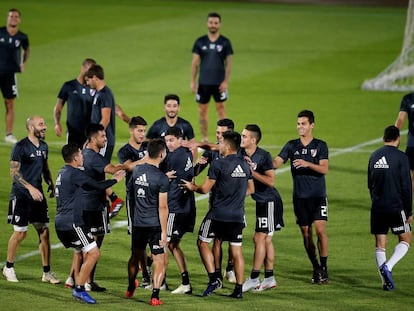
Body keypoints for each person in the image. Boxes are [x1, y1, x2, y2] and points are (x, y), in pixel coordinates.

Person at [181, 131, 254, 299]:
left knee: (202, 241)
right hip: (237, 215)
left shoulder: (218, 164)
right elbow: (251, 189)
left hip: (217, 214)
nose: (218, 146)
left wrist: (193, 187)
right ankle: (238, 290)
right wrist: (235, 196)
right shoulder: (245, 164)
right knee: (237, 251)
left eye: (220, 143)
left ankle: (214, 278)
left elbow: (205, 189)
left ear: (227, 146)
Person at [55, 143, 125, 304]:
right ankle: (80, 288)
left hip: (61, 222)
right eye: (80, 155)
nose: (82, 157)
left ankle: (74, 281)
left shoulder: (62, 172)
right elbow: (97, 185)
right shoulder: (74, 173)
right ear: (74, 158)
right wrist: (115, 180)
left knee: (83, 250)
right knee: (94, 253)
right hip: (72, 222)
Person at [273, 110, 329, 284]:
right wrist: (257, 160)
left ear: (312, 125)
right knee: (306, 234)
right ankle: (316, 267)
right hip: (300, 198)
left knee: (320, 231)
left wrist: (307, 164)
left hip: (318, 196)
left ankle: (324, 267)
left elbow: (324, 169)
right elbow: (276, 163)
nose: (300, 127)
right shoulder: (291, 146)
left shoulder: (320, 146)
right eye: (298, 124)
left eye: (303, 124)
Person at [3, 116, 60, 284]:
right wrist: (30, 188)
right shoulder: (20, 147)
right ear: (30, 127)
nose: (45, 127)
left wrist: (49, 181)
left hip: (38, 196)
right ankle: (8, 267)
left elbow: (45, 167)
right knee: (20, 233)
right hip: (21, 195)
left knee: (44, 232)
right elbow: (14, 173)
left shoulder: (44, 146)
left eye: (44, 124)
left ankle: (47, 273)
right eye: (41, 124)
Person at [78, 123, 127, 292]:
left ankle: (87, 281)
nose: (106, 139)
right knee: (93, 246)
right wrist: (129, 165)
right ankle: (83, 282)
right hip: (94, 207)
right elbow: (112, 170)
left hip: (85, 205)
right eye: (102, 136)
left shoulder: (83, 153)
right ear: (93, 139)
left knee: (90, 245)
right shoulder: (94, 157)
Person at [240, 124, 284, 292]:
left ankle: (253, 278)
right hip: (261, 201)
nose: (242, 138)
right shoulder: (241, 153)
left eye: (244, 136)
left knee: (259, 239)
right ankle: (269, 278)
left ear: (253, 139)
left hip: (270, 201)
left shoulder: (264, 156)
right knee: (265, 240)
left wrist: (252, 171)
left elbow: (271, 181)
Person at [368, 125, 412, 291]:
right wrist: (408, 211)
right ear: (398, 139)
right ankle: (389, 267)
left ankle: (385, 282)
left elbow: (369, 185)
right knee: (406, 238)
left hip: (377, 206)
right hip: (396, 206)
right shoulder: (402, 158)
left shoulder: (374, 156)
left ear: (383, 138)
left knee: (380, 244)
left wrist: (376, 201)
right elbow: (407, 187)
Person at [125, 138, 169, 306]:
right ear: (162, 154)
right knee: (159, 260)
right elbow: (163, 207)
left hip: (138, 223)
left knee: (135, 256)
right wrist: (164, 232)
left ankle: (130, 286)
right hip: (155, 225)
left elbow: (131, 193)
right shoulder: (161, 178)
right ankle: (155, 296)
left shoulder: (136, 171)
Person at [193, 118, 236, 283]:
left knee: (233, 241)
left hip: (233, 204)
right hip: (216, 204)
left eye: (222, 133)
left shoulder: (238, 153)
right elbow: (197, 169)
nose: (218, 136)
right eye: (217, 133)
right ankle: (217, 274)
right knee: (217, 239)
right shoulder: (211, 153)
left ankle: (230, 268)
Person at [85, 64, 124, 219]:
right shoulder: (99, 93)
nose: (87, 83)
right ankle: (110, 200)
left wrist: (95, 138)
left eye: (88, 80)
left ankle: (114, 200)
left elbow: (105, 119)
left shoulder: (105, 94)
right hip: (98, 139)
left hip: (102, 140)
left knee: (101, 170)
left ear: (95, 77)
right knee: (97, 171)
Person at [117, 116, 152, 287]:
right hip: (134, 200)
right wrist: (147, 158)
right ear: (131, 130)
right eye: (139, 130)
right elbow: (129, 167)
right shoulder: (125, 151)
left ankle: (149, 270)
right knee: (138, 243)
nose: (142, 134)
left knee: (154, 237)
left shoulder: (148, 146)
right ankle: (145, 274)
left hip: (151, 198)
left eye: (144, 131)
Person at [162, 126, 196, 294]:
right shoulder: (187, 152)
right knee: (173, 244)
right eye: (167, 140)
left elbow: (157, 173)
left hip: (175, 207)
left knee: (164, 243)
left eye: (172, 140)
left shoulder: (174, 157)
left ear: (180, 139)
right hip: (187, 205)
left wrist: (162, 176)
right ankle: (185, 282)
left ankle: (159, 282)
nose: (168, 144)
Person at [191, 12, 233, 142]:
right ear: (207, 24)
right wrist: (193, 81)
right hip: (203, 82)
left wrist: (226, 81)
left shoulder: (225, 42)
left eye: (215, 23)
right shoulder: (200, 42)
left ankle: (225, 138)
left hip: (219, 83)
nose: (213, 25)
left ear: (219, 24)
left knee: (221, 110)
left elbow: (229, 64)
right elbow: (195, 63)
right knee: (202, 111)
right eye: (211, 22)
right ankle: (204, 138)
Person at [0, 8, 30, 144]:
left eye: (16, 16)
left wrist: (23, 63)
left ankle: (9, 133)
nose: (13, 18)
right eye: (11, 16)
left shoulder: (22, 37)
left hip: (10, 74)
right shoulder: (0, 32)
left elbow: (27, 50)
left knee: (9, 104)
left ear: (19, 20)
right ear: (7, 18)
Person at [54, 58, 96, 148]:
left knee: (89, 160)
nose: (91, 74)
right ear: (82, 68)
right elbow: (58, 107)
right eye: (89, 70)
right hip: (72, 132)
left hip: (90, 133)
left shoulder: (94, 88)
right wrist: (57, 123)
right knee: (71, 160)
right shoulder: (69, 86)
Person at [395, 92, 414, 192]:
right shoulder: (408, 98)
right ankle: (409, 203)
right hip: (413, 139)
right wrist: (395, 132)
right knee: (410, 173)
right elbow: (401, 118)